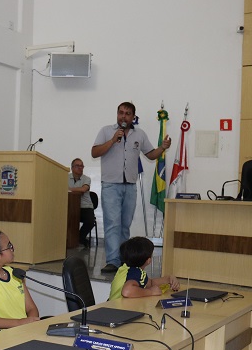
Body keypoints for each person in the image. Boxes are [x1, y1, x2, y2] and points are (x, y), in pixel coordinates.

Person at [91, 102, 171, 273]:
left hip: (130, 186)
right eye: (121, 112)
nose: (123, 116)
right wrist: (113, 140)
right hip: (111, 185)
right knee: (112, 224)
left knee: (124, 225)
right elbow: (94, 152)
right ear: (117, 114)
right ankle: (113, 261)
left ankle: (123, 260)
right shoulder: (106, 131)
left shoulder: (139, 134)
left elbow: (151, 155)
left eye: (127, 114)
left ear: (133, 117)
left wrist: (162, 148)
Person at [109, 237, 180, 300]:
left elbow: (150, 283)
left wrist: (169, 278)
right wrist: (151, 292)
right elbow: (127, 291)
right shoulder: (135, 272)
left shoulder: (126, 268)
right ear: (149, 260)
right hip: (116, 309)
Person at [69, 158, 96, 247]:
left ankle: (79, 238)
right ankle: (68, 240)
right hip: (71, 206)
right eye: (78, 166)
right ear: (72, 167)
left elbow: (83, 189)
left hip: (85, 207)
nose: (80, 168)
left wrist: (69, 189)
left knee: (90, 221)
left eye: (82, 166)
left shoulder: (86, 179)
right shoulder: (65, 177)